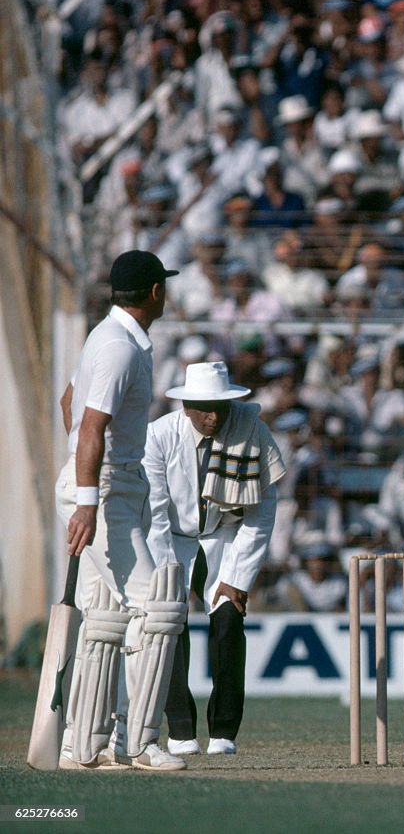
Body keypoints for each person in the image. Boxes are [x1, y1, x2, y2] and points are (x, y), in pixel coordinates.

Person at [56, 250, 187, 771]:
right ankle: (140, 742)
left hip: (112, 484)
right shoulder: (118, 348)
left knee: (105, 615)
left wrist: (81, 473)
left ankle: (81, 745)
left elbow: (70, 401)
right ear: (156, 292)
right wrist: (88, 499)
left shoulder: (107, 338)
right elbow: (89, 425)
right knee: (157, 608)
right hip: (106, 490)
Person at [144, 362, 285, 757]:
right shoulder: (158, 437)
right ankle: (181, 730)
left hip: (226, 537)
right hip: (172, 538)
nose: (213, 416)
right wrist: (167, 572)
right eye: (203, 407)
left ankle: (224, 731)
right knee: (169, 623)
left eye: (220, 407)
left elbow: (262, 511)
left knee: (227, 620)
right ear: (185, 405)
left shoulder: (250, 430)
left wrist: (238, 577)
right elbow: (154, 513)